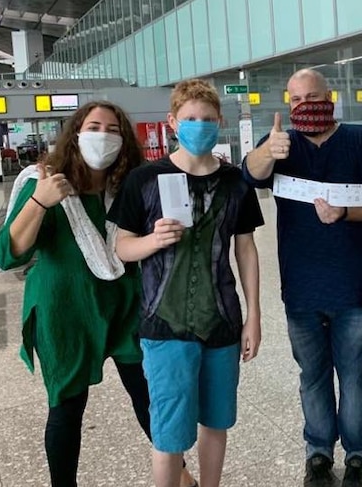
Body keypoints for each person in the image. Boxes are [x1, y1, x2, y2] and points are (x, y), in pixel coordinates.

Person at [0, 101, 195, 487]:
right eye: (94, 126)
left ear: (124, 140)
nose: (103, 135)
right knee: (68, 408)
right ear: (76, 133)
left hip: (125, 305)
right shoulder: (45, 181)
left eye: (114, 129)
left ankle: (182, 478)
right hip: (64, 309)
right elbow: (7, 254)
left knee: (150, 397)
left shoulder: (130, 187)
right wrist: (39, 202)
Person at [242, 68, 362, 487]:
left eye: (313, 95)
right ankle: (319, 454)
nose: (305, 104)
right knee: (312, 376)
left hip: (354, 283)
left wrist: (344, 211)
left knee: (356, 376)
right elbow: (249, 174)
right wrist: (268, 151)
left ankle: (360, 457)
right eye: (296, 99)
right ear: (288, 106)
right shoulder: (281, 144)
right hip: (302, 287)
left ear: (330, 96)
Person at [109, 79, 263, 487]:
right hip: (165, 326)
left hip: (222, 323)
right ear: (173, 122)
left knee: (216, 422)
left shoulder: (236, 182)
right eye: (190, 119)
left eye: (207, 119)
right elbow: (121, 247)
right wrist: (151, 241)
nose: (199, 126)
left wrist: (254, 317)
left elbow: (245, 249)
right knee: (169, 435)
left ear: (220, 123)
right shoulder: (144, 179)